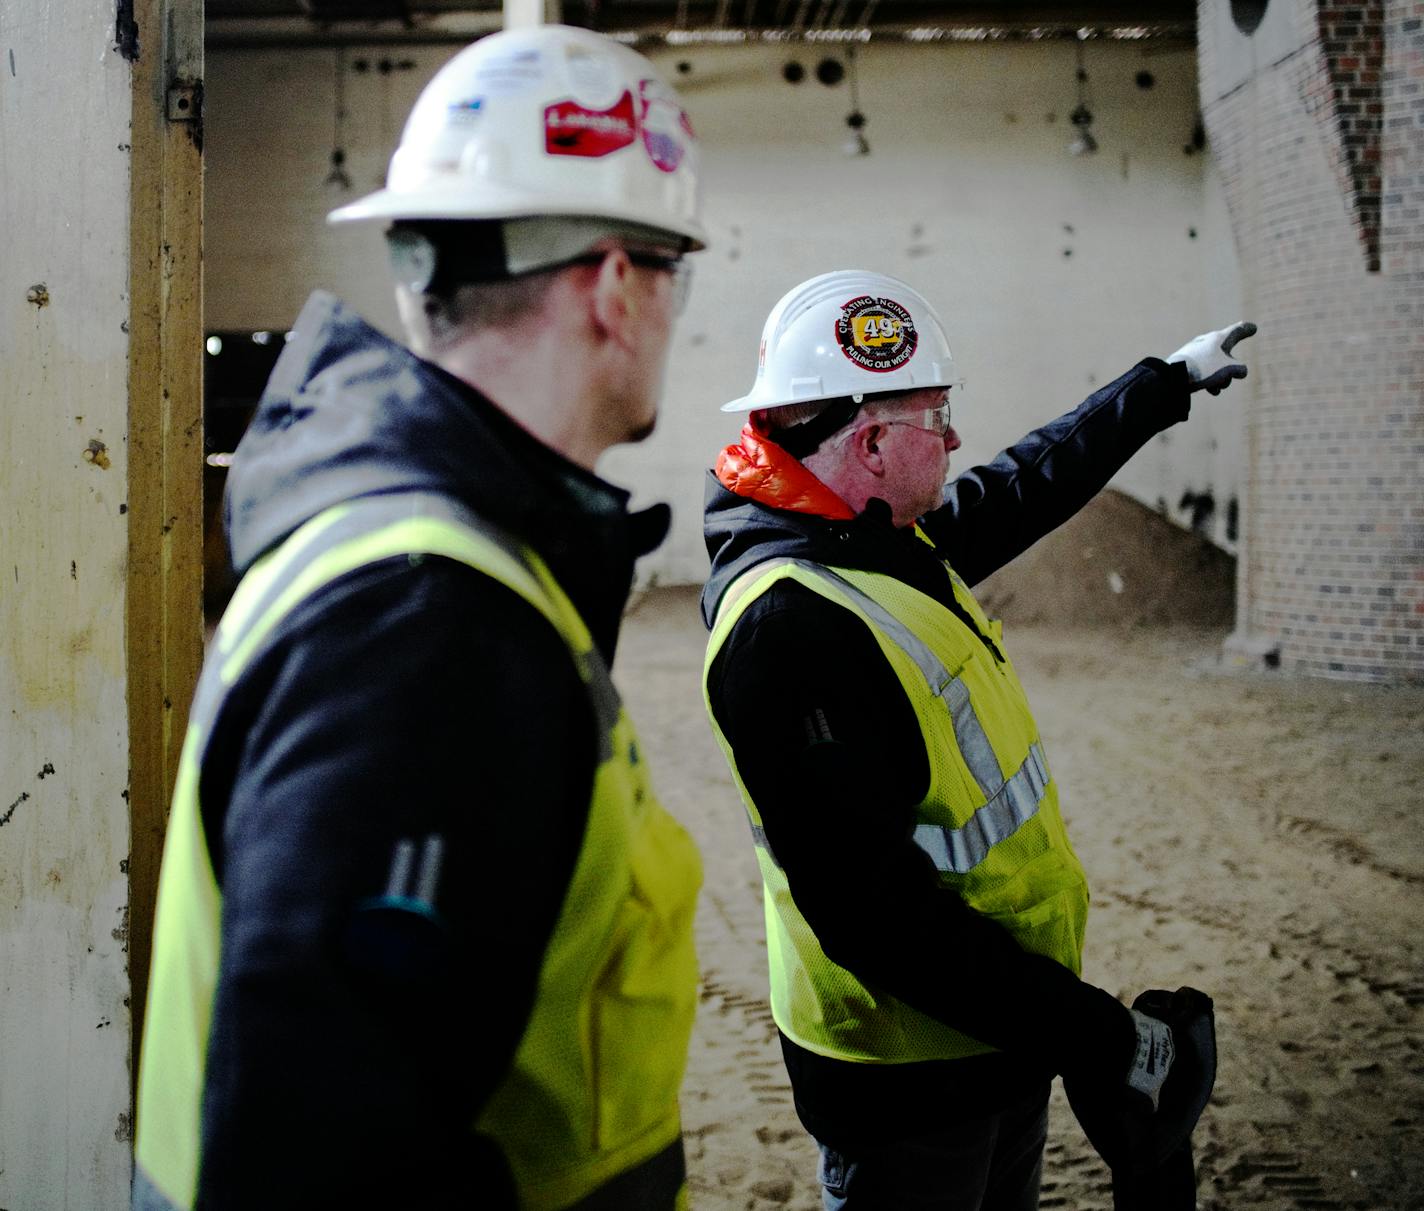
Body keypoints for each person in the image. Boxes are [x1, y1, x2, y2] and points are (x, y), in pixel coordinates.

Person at [134, 25, 707, 1211]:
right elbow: (317, 1155)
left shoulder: (414, 541)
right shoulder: (429, 621)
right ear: (612, 284)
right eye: (674, 270)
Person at [699, 270, 1252, 1210]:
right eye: (937, 416)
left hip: (1001, 1035)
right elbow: (881, 920)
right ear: (871, 442)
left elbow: (1022, 486)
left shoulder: (870, 538)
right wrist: (1096, 1034)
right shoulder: (790, 628)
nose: (956, 439)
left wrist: (1160, 386)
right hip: (905, 1079)